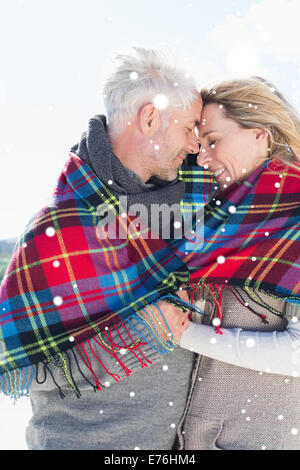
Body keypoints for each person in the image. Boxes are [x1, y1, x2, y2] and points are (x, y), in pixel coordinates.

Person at [0, 46, 202, 450]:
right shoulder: (57, 229)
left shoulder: (185, 218)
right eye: (189, 128)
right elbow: (25, 372)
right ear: (149, 118)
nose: (195, 145)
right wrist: (135, 338)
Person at [169, 77, 300, 450]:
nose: (203, 157)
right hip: (190, 440)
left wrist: (186, 334)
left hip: (259, 439)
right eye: (200, 144)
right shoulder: (217, 218)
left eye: (213, 141)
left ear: (260, 135)